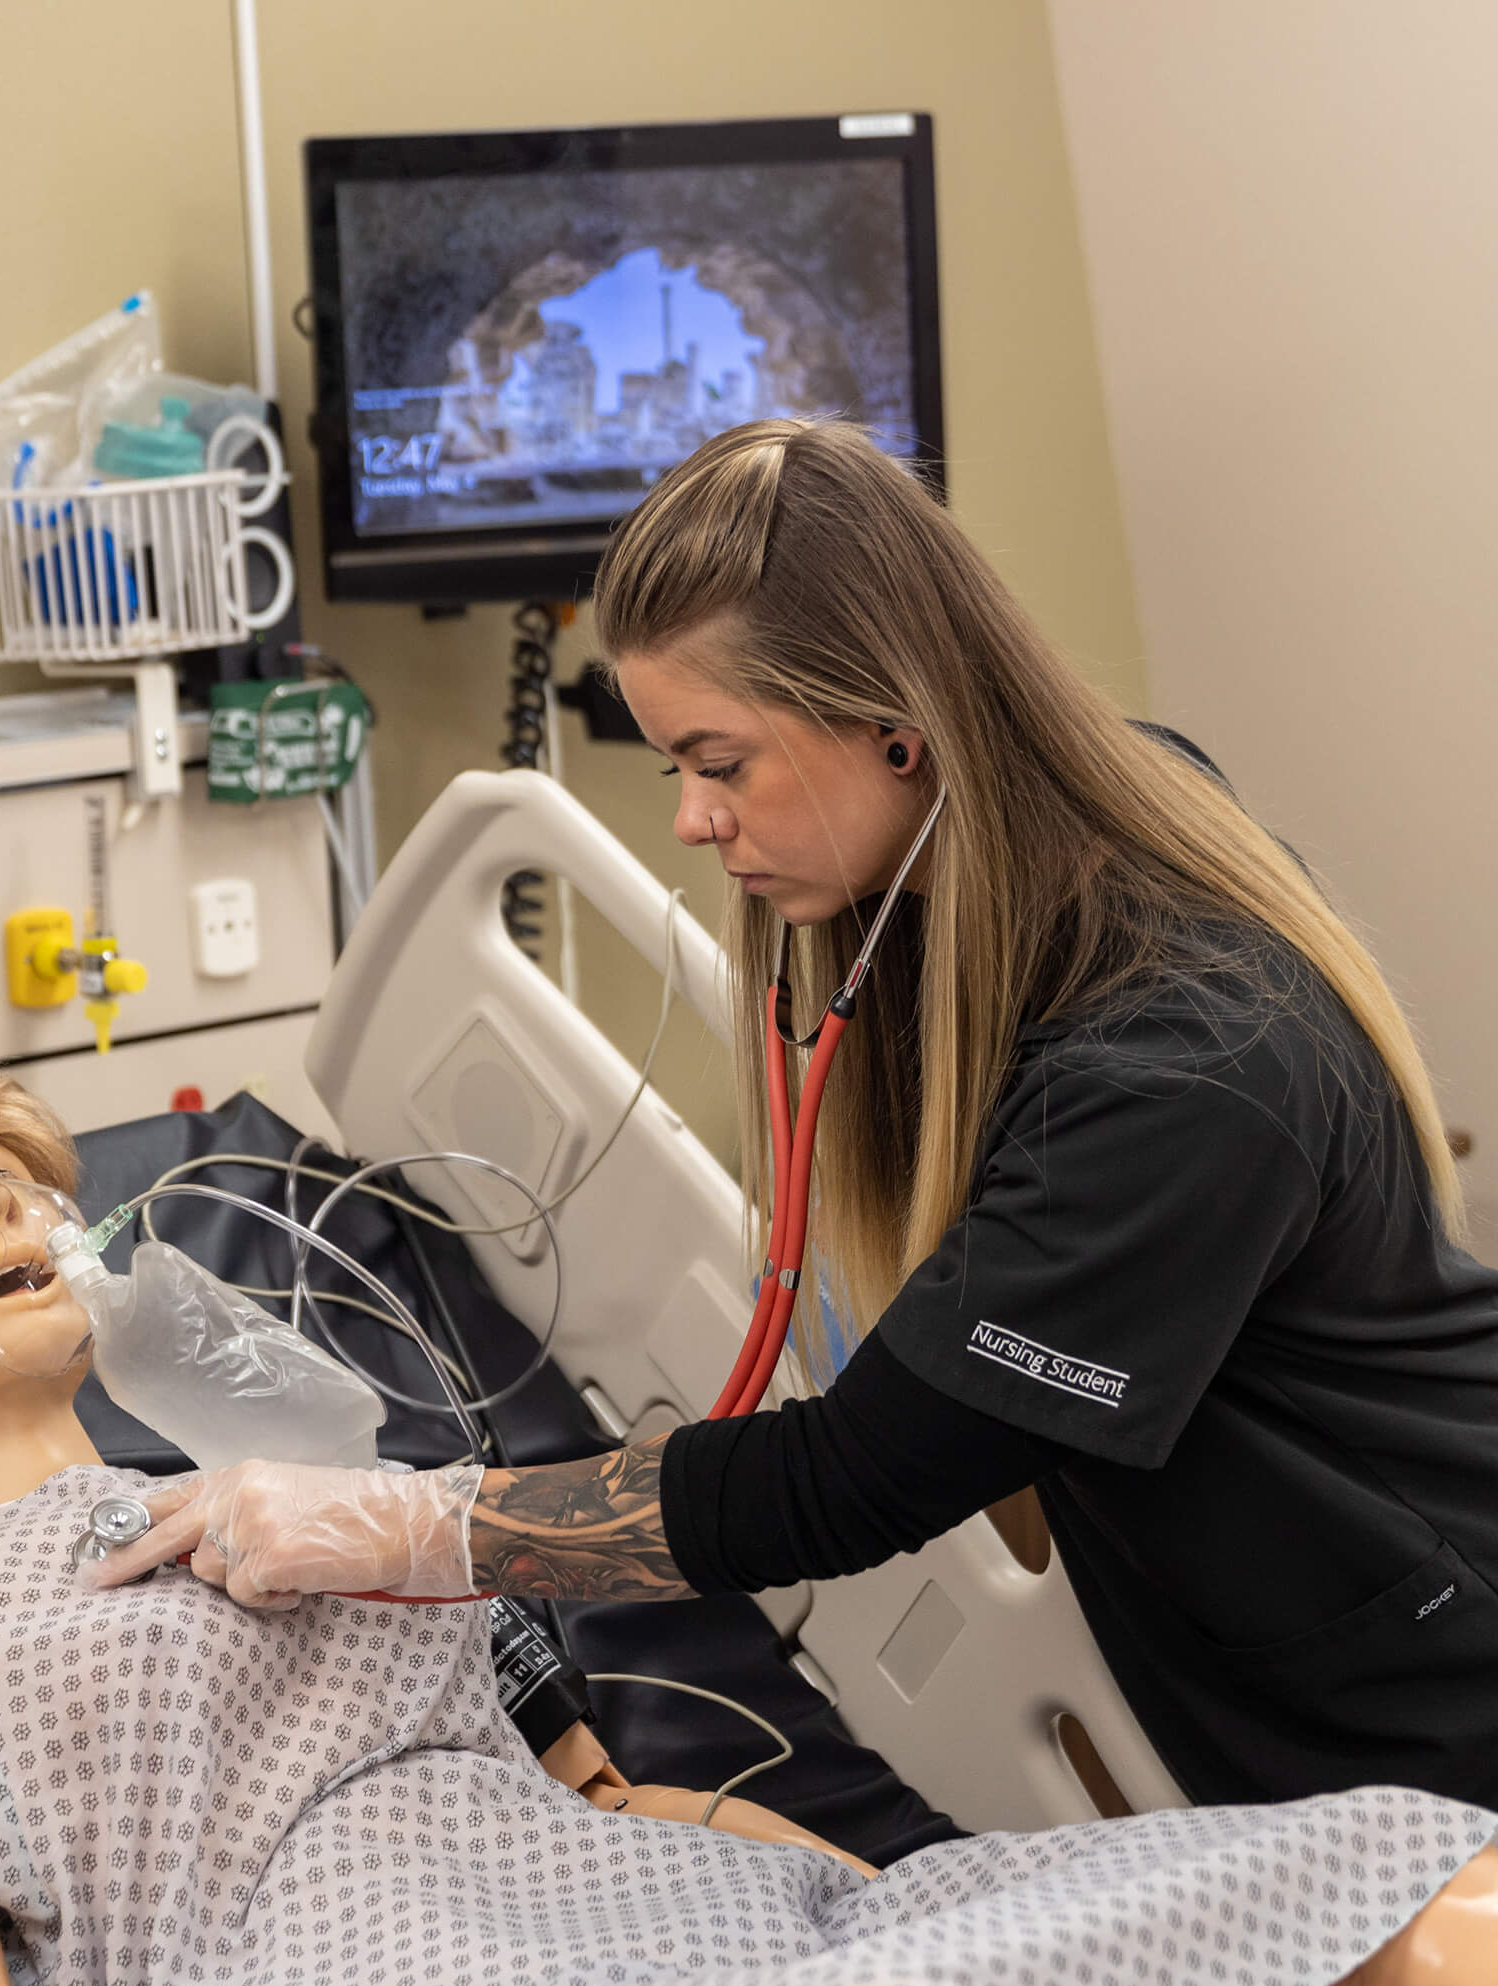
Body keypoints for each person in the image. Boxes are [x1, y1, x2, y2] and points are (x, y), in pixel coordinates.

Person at [93, 418, 1498, 1828]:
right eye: (673, 771)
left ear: (899, 726)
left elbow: (855, 1485)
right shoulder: (1034, 843)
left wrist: (414, 1524)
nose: (697, 822)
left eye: (723, 762)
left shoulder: (1184, 1065)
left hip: (1425, 1657)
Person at [0, 1058, 1498, 1986]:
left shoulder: (310, 1512)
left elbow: (576, 1801)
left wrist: (885, 1884)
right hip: (373, 1970)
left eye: (15, 1179)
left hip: (676, 1918)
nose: (0, 1194)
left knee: (1431, 1894)